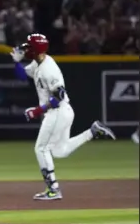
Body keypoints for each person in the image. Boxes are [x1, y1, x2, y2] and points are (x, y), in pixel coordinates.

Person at [10, 33, 116, 201]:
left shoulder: (48, 68)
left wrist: (37, 111)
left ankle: (53, 189)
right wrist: (16, 62)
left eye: (29, 47)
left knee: (41, 148)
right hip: (61, 112)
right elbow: (23, 75)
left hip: (58, 111)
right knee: (60, 151)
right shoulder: (38, 63)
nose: (26, 49)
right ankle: (92, 132)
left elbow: (59, 96)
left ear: (36, 49)